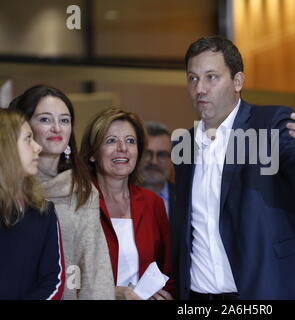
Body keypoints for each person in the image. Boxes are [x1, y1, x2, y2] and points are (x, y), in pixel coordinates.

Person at [171, 35, 295, 300]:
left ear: (238, 81)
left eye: (211, 77)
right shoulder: (184, 142)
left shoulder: (271, 123)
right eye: (193, 78)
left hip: (266, 291)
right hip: (201, 296)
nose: (200, 88)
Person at [9, 85, 115, 300]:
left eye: (65, 120)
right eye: (45, 119)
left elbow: (94, 270)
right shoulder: (12, 188)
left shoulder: (82, 189)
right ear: (24, 125)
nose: (57, 128)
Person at [80, 107, 174, 300]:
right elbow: (63, 276)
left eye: (130, 141)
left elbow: (167, 272)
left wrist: (166, 296)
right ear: (92, 153)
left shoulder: (152, 203)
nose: (122, 148)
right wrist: (109, 293)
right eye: (111, 140)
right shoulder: (77, 203)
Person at [0, 109, 65, 300]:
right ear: (6, 147)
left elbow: (54, 279)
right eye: (28, 139)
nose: (37, 147)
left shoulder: (44, 210)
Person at [140, 121, 175, 218]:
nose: (154, 162)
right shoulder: (118, 197)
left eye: (162, 155)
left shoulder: (187, 200)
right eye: (147, 154)